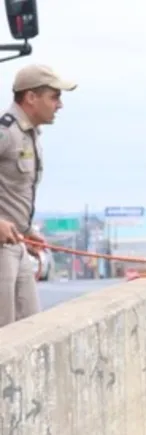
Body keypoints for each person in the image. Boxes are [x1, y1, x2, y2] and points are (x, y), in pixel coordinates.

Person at [0, 64, 76, 329]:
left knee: (31, 327)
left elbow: (12, 192)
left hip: (16, 244)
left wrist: (27, 230)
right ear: (31, 97)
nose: (60, 105)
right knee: (5, 334)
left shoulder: (28, 135)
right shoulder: (6, 132)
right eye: (54, 97)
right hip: (2, 248)